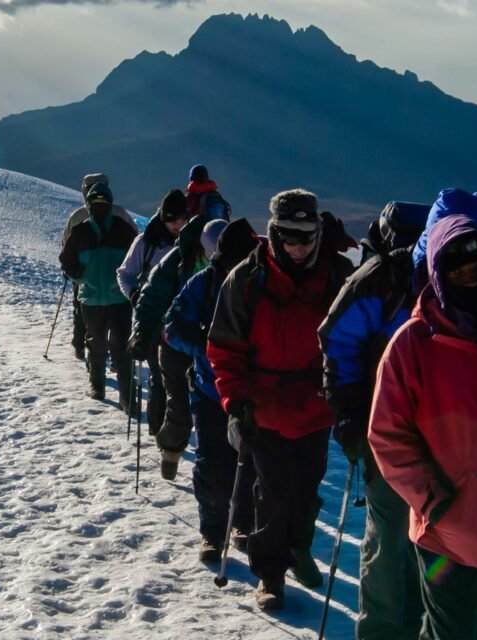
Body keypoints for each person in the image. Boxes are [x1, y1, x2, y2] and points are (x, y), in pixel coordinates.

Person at [368, 214, 477, 640]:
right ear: (438, 274)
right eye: (457, 270)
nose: (470, 279)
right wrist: (433, 499)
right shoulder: (413, 345)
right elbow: (386, 434)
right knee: (455, 629)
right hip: (447, 528)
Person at [207, 189, 354, 611]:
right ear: (273, 232)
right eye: (289, 236)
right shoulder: (247, 279)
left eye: (306, 237)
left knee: (307, 490)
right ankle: (270, 575)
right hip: (264, 409)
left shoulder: (338, 276)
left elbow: (355, 341)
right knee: (272, 493)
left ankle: (297, 549)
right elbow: (224, 347)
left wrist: (348, 396)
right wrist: (235, 404)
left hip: (316, 407)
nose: (297, 246)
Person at [317, 200, 429, 639]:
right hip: (392, 437)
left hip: (386, 431)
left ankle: (393, 629)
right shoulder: (382, 283)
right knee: (399, 540)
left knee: (397, 543)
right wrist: (348, 416)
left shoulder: (380, 280)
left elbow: (338, 347)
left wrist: (348, 415)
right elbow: (339, 345)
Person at [165, 218, 260, 563]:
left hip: (250, 392)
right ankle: (212, 532)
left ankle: (242, 525)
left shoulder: (262, 284)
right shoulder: (203, 285)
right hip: (209, 390)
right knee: (212, 465)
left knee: (248, 463)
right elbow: (173, 326)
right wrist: (206, 347)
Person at [131, 214, 223, 480]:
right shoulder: (176, 262)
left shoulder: (237, 264)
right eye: (212, 252)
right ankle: (170, 452)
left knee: (215, 412)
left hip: (214, 350)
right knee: (180, 407)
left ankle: (218, 476)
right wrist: (141, 335)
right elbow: (151, 298)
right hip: (174, 345)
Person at [117, 189, 189, 432]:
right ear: (162, 217)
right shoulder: (146, 243)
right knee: (160, 377)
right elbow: (125, 274)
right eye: (172, 220)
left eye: (181, 220)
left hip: (182, 321)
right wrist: (135, 295)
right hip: (152, 321)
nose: (177, 225)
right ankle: (159, 431)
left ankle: (171, 429)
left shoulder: (192, 244)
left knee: (177, 379)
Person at [60, 182, 138, 406]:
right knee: (100, 343)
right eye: (96, 204)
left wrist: (80, 278)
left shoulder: (120, 229)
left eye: (103, 204)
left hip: (111, 297)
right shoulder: (82, 230)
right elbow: (67, 261)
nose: (99, 207)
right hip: (99, 297)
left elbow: (137, 259)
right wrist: (79, 276)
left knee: (116, 344)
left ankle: (123, 394)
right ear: (89, 205)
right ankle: (101, 386)